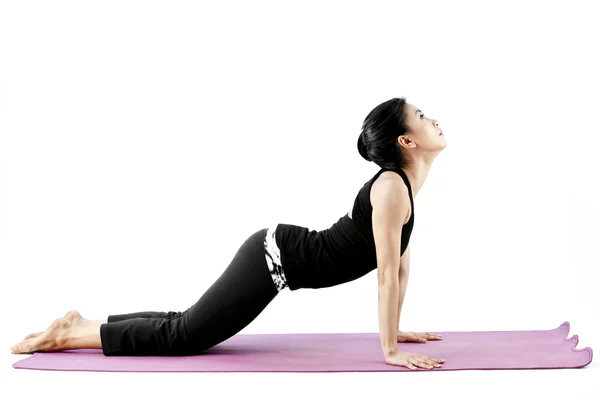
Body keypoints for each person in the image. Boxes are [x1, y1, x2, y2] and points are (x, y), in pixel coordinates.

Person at [11, 97, 447, 370]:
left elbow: (399, 266)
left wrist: (396, 329)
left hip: (277, 254)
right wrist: (389, 349)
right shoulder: (391, 188)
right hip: (273, 259)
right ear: (406, 141)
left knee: (187, 321)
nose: (434, 120)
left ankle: (85, 324)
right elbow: (386, 275)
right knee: (187, 336)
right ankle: (66, 337)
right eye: (422, 116)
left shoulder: (403, 187)